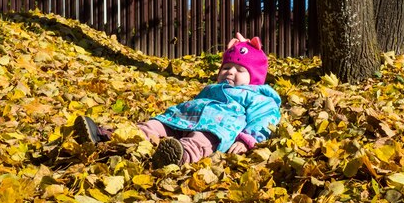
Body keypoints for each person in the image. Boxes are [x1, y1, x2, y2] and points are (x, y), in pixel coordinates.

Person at [73, 32, 282, 168]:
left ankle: (177, 155)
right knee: (154, 126)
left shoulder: (256, 95)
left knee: (200, 140)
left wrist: (247, 139)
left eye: (239, 70)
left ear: (253, 78)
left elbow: (265, 119)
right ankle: (112, 138)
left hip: (218, 127)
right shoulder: (212, 88)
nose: (230, 72)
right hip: (183, 118)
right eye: (226, 68)